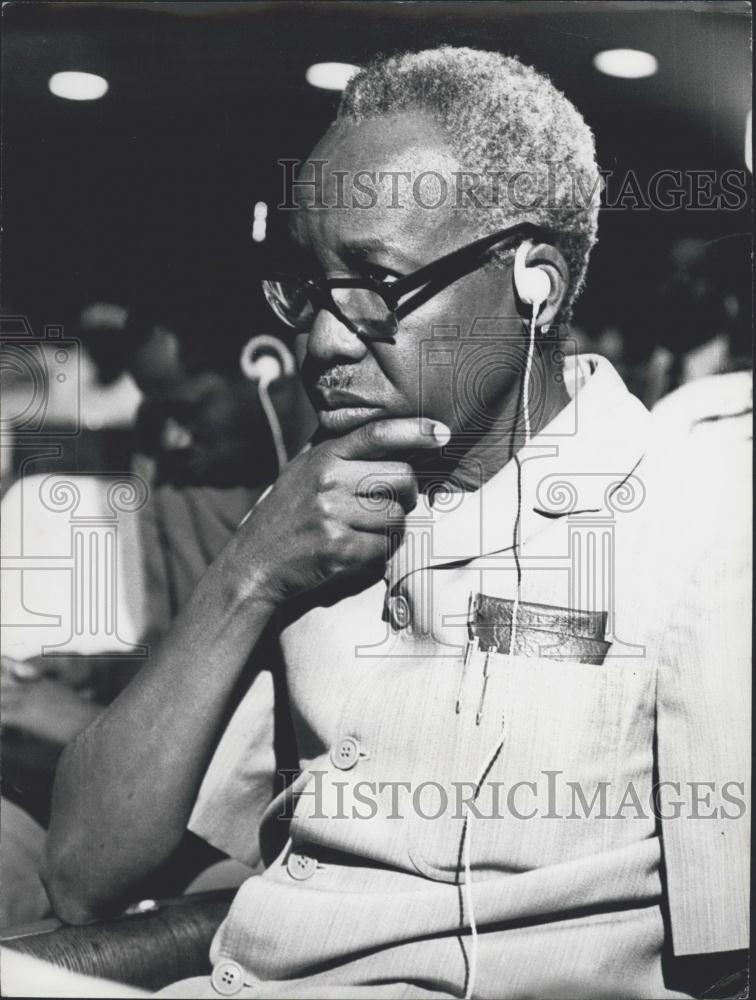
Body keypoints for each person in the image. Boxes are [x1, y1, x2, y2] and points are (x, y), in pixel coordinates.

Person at [43, 48, 749, 999]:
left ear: (533, 283)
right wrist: (248, 571)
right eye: (311, 285)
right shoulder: (309, 516)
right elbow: (87, 875)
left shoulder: (700, 525)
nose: (326, 340)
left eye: (379, 284)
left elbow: (728, 960)